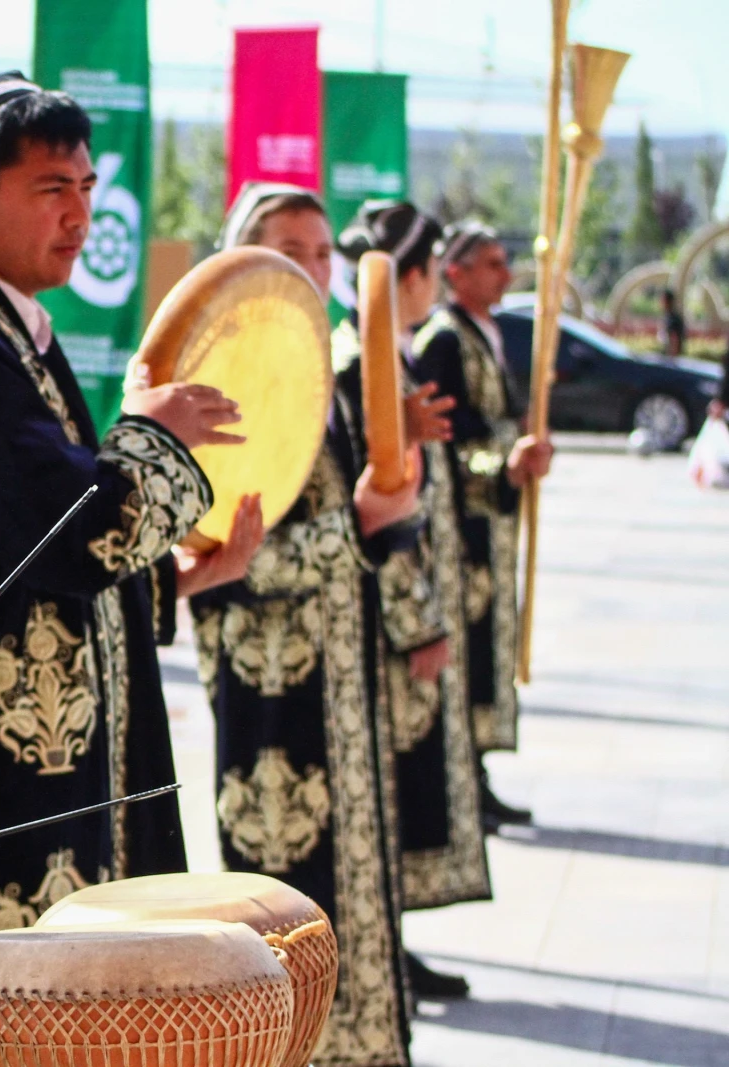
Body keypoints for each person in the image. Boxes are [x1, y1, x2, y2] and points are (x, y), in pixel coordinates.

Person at [0, 73, 242, 1067]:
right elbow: (77, 536)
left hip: (24, 762)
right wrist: (157, 436)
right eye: (50, 189)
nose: (79, 213)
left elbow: (22, 552)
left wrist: (186, 574)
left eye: (84, 186)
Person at [189, 183, 425, 1066]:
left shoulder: (334, 372)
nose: (311, 269)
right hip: (270, 687)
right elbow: (220, 559)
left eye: (323, 252)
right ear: (242, 257)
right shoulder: (220, 380)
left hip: (348, 675)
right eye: (288, 249)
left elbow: (374, 516)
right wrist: (353, 528)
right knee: (285, 911)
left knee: (360, 895)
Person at [333, 201, 494, 1002]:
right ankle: (379, 948)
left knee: (397, 788)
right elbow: (378, 508)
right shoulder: (357, 365)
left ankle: (392, 939)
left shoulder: (385, 356)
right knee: (384, 786)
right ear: (416, 275)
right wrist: (417, 622)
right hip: (380, 616)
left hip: (406, 599)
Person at [412, 221, 553, 827]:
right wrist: (503, 460)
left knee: (488, 643)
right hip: (461, 525)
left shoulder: (487, 332)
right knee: (468, 645)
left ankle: (478, 773)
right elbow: (449, 435)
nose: (504, 274)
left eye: (504, 262)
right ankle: (464, 778)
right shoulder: (444, 340)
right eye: (491, 264)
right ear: (456, 272)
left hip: (490, 523)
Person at [661, 288, 686, 358]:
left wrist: (672, 358)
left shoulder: (673, 319)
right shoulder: (668, 316)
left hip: (672, 358)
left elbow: (675, 339)